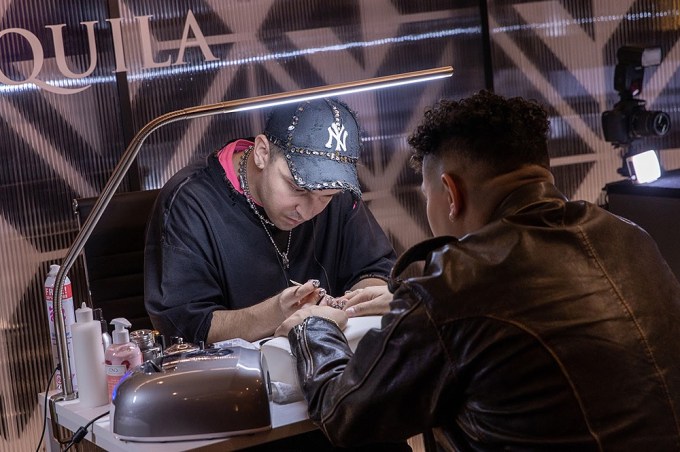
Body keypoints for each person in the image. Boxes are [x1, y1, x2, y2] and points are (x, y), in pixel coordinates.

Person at [277, 90, 680, 450]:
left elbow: (344, 414)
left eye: (427, 196)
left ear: (451, 193)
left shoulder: (455, 286)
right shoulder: (628, 236)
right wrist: (409, 303)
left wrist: (313, 326)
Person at [144, 97, 397, 346]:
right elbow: (185, 326)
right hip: (235, 371)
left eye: (326, 196)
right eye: (297, 188)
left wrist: (359, 301)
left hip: (329, 357)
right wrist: (275, 313)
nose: (307, 211)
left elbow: (376, 269)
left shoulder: (338, 191)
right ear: (262, 152)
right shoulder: (189, 203)